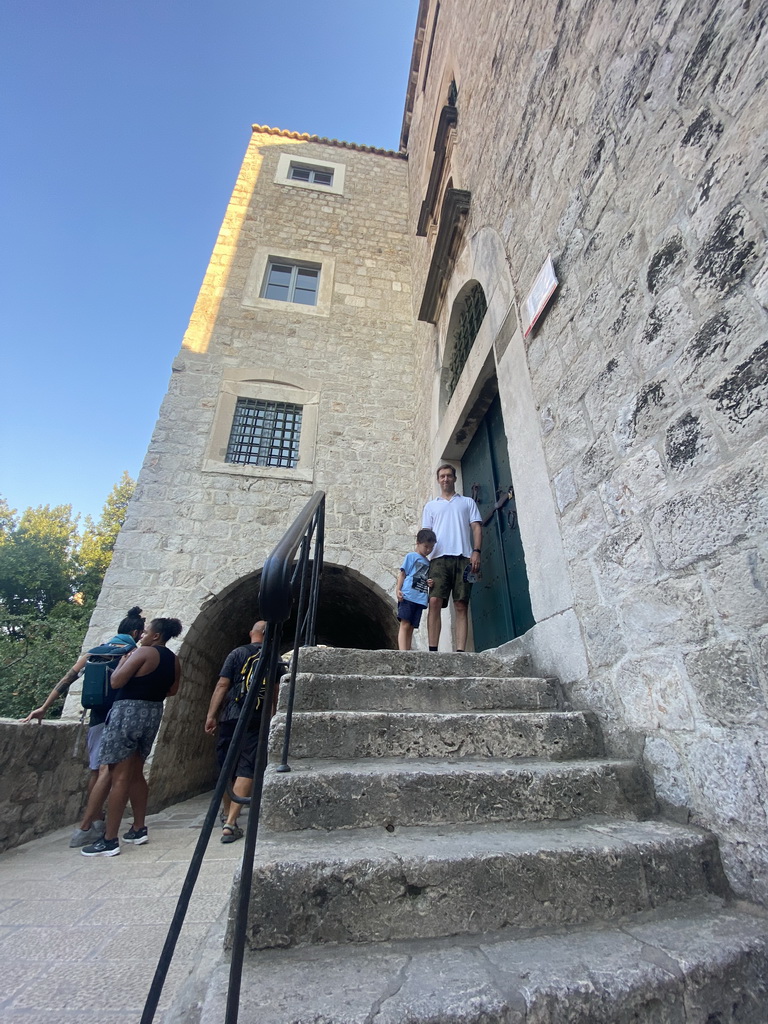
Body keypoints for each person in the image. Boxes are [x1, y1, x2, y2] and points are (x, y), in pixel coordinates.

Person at [21, 606, 145, 848]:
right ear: (135, 632)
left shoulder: (95, 652)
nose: (142, 635)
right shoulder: (133, 653)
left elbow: (68, 678)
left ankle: (95, 820)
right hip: (120, 716)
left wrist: (44, 707)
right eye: (140, 632)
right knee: (114, 772)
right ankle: (89, 826)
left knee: (96, 769)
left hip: (97, 717)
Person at [81, 617, 182, 857]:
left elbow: (116, 681)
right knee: (137, 771)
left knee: (119, 776)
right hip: (152, 713)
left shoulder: (144, 652)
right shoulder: (174, 660)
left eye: (146, 632)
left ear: (156, 635)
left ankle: (109, 839)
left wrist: (124, 661)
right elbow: (173, 690)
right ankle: (138, 828)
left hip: (128, 712)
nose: (142, 635)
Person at [204, 620, 270, 844]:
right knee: (247, 766)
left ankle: (225, 811)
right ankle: (231, 822)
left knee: (226, 764)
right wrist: (271, 719)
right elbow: (275, 690)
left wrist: (211, 714)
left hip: (232, 714)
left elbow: (222, 684)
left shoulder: (236, 653)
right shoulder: (273, 656)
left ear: (252, 632)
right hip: (257, 717)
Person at [421, 464, 482, 652]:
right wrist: (422, 560)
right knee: (434, 601)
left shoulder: (467, 502)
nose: (445, 479)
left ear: (455, 478)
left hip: (463, 557)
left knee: (461, 604)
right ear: (438, 480)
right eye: (442, 476)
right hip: (438, 559)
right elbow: (425, 534)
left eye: (449, 476)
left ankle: (461, 652)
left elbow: (477, 527)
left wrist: (476, 551)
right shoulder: (431, 506)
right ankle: (433, 650)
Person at [395, 529, 436, 650]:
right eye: (426, 546)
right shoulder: (411, 556)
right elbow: (402, 573)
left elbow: (426, 578)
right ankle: (403, 651)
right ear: (418, 543)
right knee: (405, 623)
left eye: (431, 548)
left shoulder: (429, 563)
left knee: (412, 626)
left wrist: (430, 582)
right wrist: (398, 589)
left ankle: (408, 650)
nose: (428, 550)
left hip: (420, 598)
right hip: (408, 595)